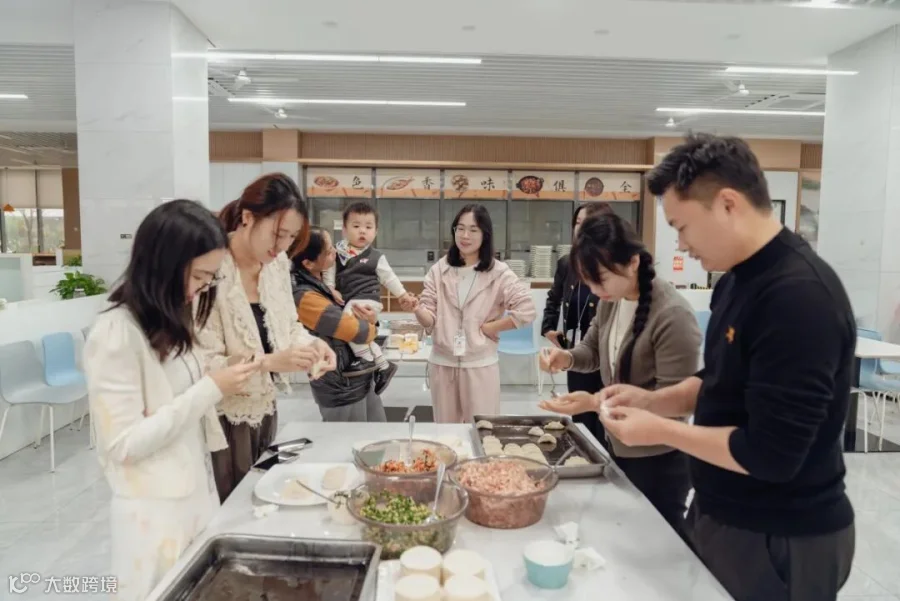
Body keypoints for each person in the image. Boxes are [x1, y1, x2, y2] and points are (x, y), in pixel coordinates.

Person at [600, 134, 854, 601]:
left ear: (728, 204)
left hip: (782, 534)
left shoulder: (798, 296)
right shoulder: (736, 281)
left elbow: (770, 455)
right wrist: (654, 401)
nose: (681, 244)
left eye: (682, 227)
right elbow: (718, 379)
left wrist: (660, 429)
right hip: (723, 513)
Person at [84, 200, 260, 600]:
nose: (200, 289)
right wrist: (210, 388)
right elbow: (123, 445)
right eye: (198, 276)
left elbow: (180, 395)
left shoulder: (171, 318)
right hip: (152, 514)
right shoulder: (115, 333)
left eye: (209, 279)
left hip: (193, 495)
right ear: (163, 264)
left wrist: (223, 372)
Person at [540, 212, 701, 535]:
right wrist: (566, 358)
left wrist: (594, 403)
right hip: (618, 445)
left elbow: (673, 405)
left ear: (632, 262)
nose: (594, 289)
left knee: (655, 544)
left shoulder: (672, 315)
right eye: (587, 281)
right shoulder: (611, 300)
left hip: (658, 459)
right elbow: (592, 352)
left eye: (600, 278)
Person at [196, 173, 336, 502]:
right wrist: (269, 362)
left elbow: (288, 326)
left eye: (291, 237)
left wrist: (313, 345)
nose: (282, 246)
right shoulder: (211, 268)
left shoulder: (276, 265)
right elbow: (203, 362)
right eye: (277, 234)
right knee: (227, 507)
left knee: (259, 501)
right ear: (248, 217)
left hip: (265, 409)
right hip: (218, 418)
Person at [411, 204, 536, 423]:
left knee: (482, 429)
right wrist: (417, 309)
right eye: (460, 228)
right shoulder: (439, 270)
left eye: (473, 229)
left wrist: (490, 328)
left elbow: (526, 311)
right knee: (445, 432)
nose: (465, 235)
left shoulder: (498, 272)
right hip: (443, 364)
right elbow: (429, 320)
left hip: (480, 364)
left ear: (485, 234)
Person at [292, 226, 388, 422]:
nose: (335, 252)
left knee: (377, 432)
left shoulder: (328, 283)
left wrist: (371, 319)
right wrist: (371, 325)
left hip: (359, 378)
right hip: (341, 389)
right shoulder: (304, 296)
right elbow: (354, 331)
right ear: (308, 263)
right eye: (328, 251)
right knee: (350, 437)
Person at [324, 202, 417, 394]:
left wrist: (402, 294)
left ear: (376, 232)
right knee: (362, 336)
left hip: (368, 300)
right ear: (344, 229)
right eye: (356, 226)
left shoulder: (376, 257)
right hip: (349, 301)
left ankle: (365, 360)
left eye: (368, 227)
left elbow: (389, 278)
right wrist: (331, 288)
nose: (362, 231)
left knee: (347, 325)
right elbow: (328, 272)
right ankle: (383, 366)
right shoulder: (337, 253)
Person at [541, 202, 614, 443]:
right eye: (578, 223)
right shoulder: (567, 263)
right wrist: (549, 328)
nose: (580, 229)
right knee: (581, 417)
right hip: (577, 350)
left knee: (605, 419)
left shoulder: (614, 267)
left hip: (607, 354)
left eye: (588, 224)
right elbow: (554, 297)